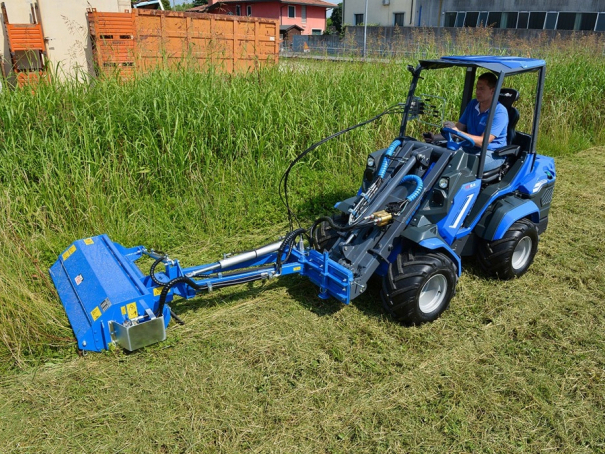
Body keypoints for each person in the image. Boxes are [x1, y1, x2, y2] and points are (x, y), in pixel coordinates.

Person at [446, 72, 508, 171]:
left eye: (482, 89)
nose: (477, 92)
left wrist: (457, 132)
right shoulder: (473, 104)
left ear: (492, 91)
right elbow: (457, 129)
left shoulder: (500, 112)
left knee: (463, 166)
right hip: (470, 147)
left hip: (491, 153)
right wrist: (434, 138)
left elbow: (483, 142)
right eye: (477, 88)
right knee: (443, 155)